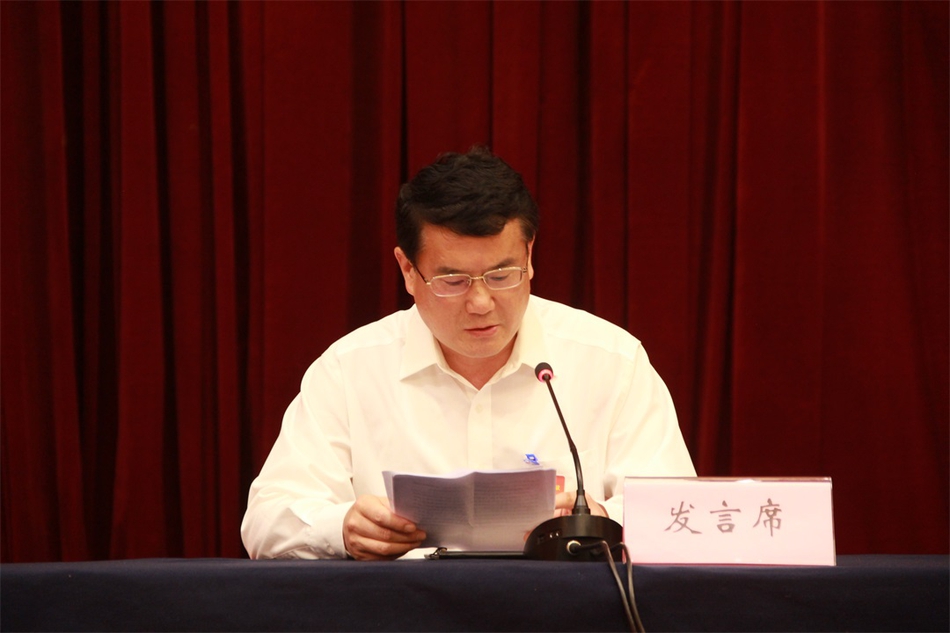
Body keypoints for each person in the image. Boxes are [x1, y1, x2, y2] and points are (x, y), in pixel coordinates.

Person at [241, 147, 695, 561]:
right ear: (407, 269)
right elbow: (266, 521)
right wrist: (341, 529)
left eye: (502, 275)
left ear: (530, 255)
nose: (480, 303)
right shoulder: (350, 369)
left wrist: (601, 520)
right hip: (405, 609)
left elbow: (681, 515)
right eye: (453, 281)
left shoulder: (611, 361)